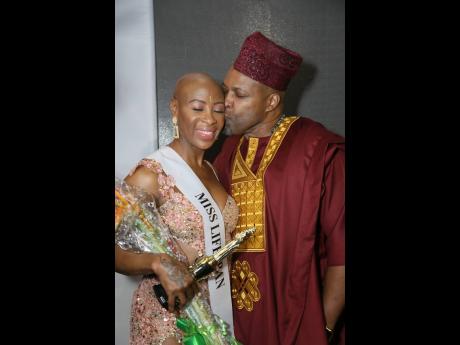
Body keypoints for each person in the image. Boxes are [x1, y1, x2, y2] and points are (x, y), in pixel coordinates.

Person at [212, 32, 345, 345]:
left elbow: (342, 256)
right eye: (225, 91)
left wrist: (320, 331)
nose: (225, 103)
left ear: (271, 101)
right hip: (233, 324)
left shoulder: (320, 152)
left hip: (298, 324)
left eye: (239, 95)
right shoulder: (224, 154)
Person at [115, 72, 239, 345]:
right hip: (169, 320)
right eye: (197, 107)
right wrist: (158, 262)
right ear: (174, 108)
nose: (210, 118)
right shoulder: (150, 174)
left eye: (218, 110)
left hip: (213, 314)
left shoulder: (211, 170)